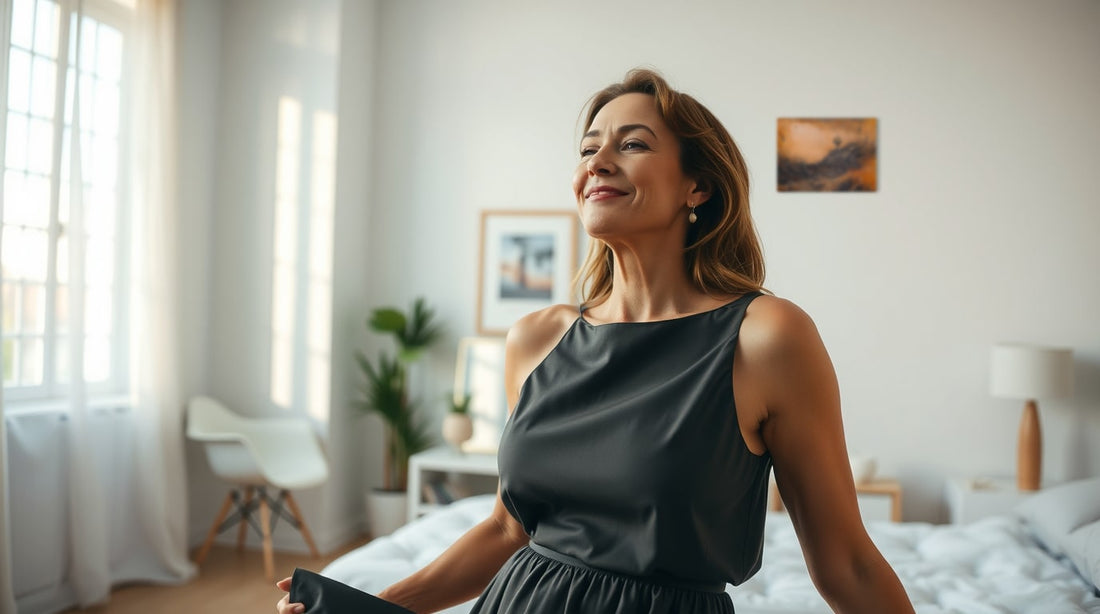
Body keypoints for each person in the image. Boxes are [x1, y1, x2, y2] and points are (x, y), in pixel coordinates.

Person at [276, 68, 914, 614]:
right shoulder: (536, 339)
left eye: (632, 144)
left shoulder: (766, 337)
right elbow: (509, 528)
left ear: (698, 187)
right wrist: (374, 606)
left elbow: (847, 565)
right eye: (588, 149)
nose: (598, 162)